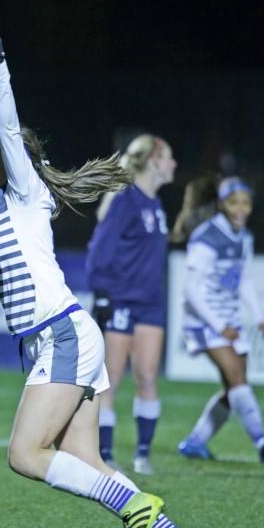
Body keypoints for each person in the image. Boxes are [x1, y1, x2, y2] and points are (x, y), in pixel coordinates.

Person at [0, 30, 200, 528]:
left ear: (15, 159)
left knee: (25, 455)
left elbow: (4, 128)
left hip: (62, 335)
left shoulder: (26, 195)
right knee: (86, 461)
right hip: (59, 338)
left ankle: (135, 507)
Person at [86, 134, 175, 476]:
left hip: (150, 302)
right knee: (111, 380)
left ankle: (142, 455)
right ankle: (105, 455)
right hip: (121, 298)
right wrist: (103, 294)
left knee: (148, 377)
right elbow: (100, 248)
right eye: (168, 157)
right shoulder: (125, 199)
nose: (174, 164)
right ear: (153, 161)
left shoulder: (155, 203)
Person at [174, 177, 264, 462]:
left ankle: (195, 442)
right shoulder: (207, 236)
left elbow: (243, 279)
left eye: (245, 203)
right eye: (234, 203)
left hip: (229, 320)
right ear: (222, 205)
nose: (241, 209)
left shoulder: (243, 236)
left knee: (235, 386)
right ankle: (260, 439)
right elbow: (190, 290)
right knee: (236, 377)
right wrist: (218, 325)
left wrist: (259, 317)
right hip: (204, 321)